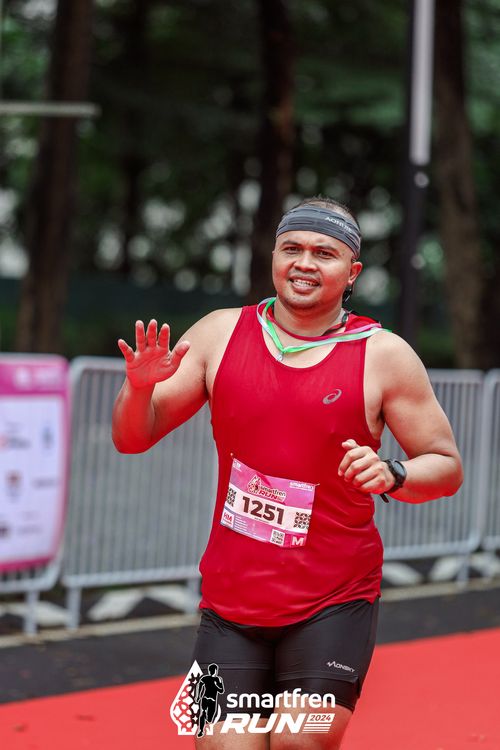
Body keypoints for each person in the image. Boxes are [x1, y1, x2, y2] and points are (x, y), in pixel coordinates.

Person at [112, 196, 463, 749]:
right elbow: (132, 438)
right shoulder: (219, 333)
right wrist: (138, 389)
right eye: (291, 248)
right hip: (229, 604)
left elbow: (445, 466)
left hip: (334, 600)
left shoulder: (384, 355)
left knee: (301, 741)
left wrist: (393, 472)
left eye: (324, 253)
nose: (304, 262)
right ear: (273, 256)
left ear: (352, 272)